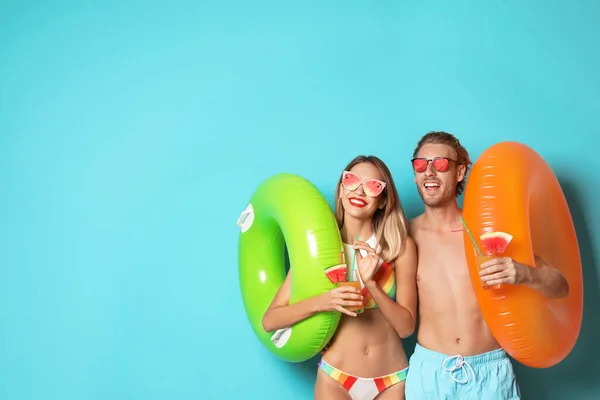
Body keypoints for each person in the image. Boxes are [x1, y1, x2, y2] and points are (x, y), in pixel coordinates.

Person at [404, 131, 570, 399]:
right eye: (421, 164)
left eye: (441, 164)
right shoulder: (404, 236)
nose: (430, 172)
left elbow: (561, 287)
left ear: (460, 172)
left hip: (489, 373)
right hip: (429, 373)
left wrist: (524, 273)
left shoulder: (486, 232)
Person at [262, 155, 418, 400]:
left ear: (382, 200)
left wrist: (372, 285)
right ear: (341, 188)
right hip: (336, 379)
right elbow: (270, 321)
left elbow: (406, 328)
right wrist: (325, 301)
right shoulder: (318, 253)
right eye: (352, 180)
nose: (359, 191)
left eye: (372, 186)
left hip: (392, 379)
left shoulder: (398, 247)